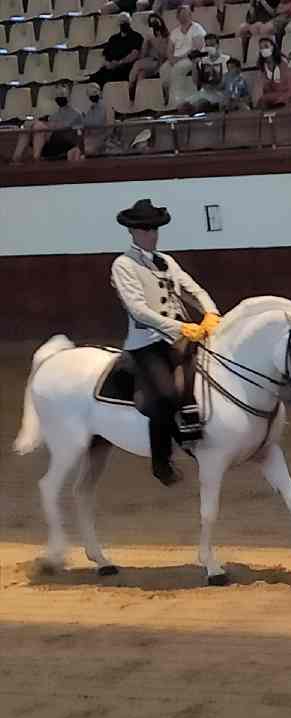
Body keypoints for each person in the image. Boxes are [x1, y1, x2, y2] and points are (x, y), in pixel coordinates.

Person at [110, 199, 221, 485]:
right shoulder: (123, 265)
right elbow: (139, 311)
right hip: (147, 343)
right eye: (146, 229)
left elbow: (192, 289)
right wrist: (182, 326)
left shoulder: (166, 260)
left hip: (181, 337)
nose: (152, 234)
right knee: (165, 395)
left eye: (155, 229)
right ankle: (162, 462)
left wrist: (210, 313)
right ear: (133, 232)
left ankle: (199, 433)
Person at [10, 86, 86, 163]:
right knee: (27, 126)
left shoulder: (76, 113)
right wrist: (50, 124)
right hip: (51, 140)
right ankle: (16, 158)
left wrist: (51, 125)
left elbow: (71, 130)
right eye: (58, 97)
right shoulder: (55, 114)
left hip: (65, 140)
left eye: (62, 97)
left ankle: (36, 158)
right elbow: (51, 125)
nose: (60, 99)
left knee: (39, 126)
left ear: (68, 98)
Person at [90, 13, 145, 86]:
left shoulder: (136, 37)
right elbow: (105, 55)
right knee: (94, 78)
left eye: (125, 22)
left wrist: (119, 63)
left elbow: (134, 54)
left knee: (111, 76)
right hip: (111, 67)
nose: (124, 25)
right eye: (122, 23)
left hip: (126, 68)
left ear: (129, 23)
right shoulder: (113, 39)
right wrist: (108, 64)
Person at [127, 13, 171, 100]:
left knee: (138, 65)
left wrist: (161, 60)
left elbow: (169, 53)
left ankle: (131, 86)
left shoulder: (168, 35)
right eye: (152, 23)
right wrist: (146, 42)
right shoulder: (150, 34)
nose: (155, 24)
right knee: (140, 74)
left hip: (165, 62)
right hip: (154, 61)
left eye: (156, 21)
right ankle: (141, 99)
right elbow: (144, 52)